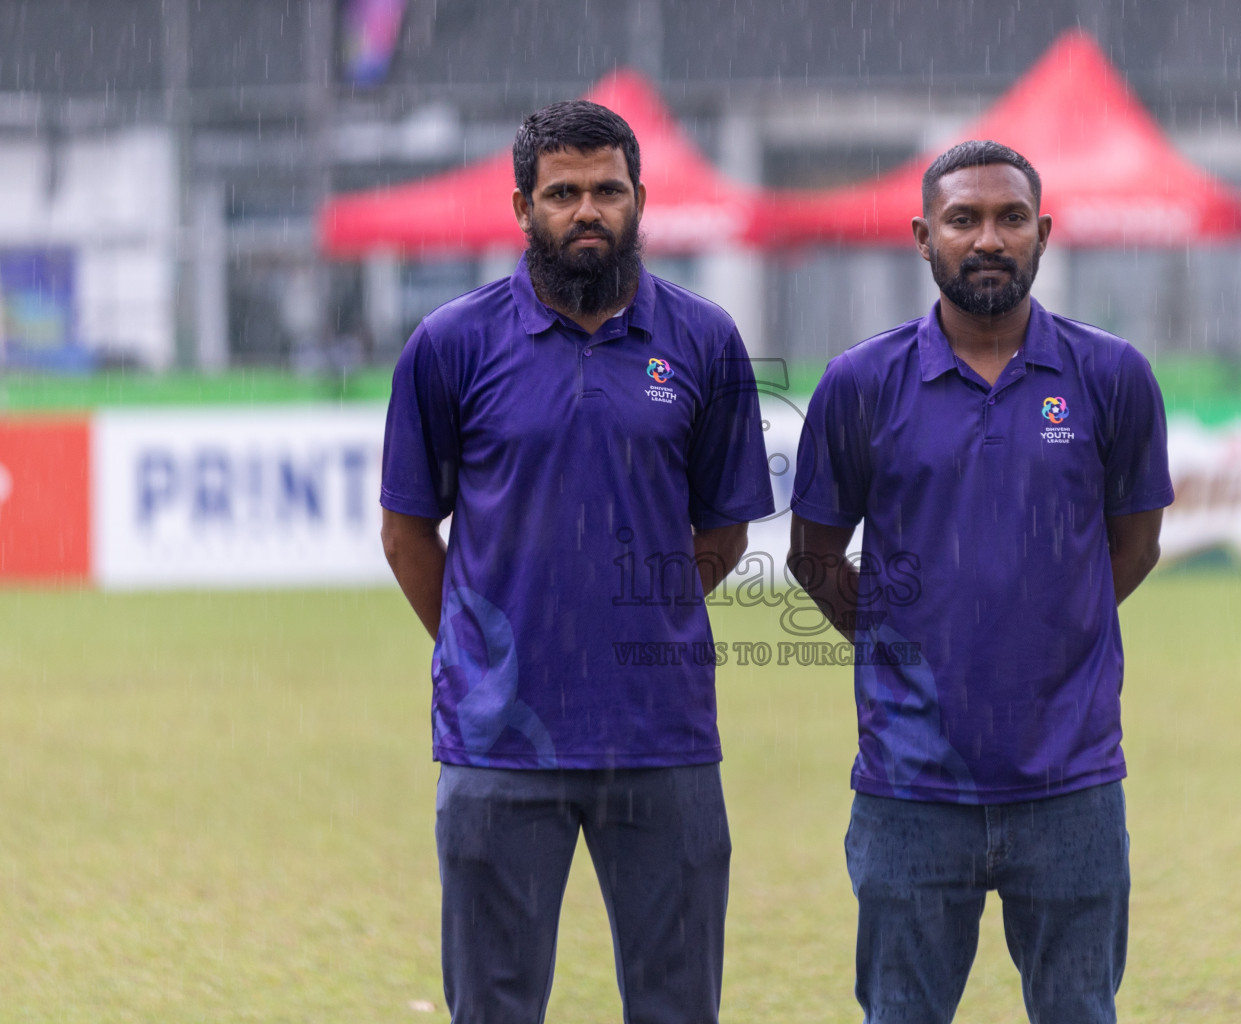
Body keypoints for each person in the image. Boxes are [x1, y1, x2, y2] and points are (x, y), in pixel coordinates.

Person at [379, 100, 775, 1024]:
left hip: (661, 735)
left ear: (642, 198)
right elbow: (407, 535)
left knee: (678, 1007)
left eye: (607, 190)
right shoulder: (450, 345)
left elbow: (722, 536)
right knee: (495, 1007)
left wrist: (634, 624)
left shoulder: (704, 341)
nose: (586, 210)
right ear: (522, 207)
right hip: (499, 744)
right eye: (563, 193)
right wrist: (487, 653)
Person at [787, 139, 1173, 1024]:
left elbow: (1136, 544)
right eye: (963, 219)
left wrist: (1047, 626)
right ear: (923, 237)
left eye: (1009, 219)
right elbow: (814, 556)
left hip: (1070, 784)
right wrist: (907, 641)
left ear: (1044, 234)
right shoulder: (860, 385)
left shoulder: (1110, 377)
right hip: (909, 790)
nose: (987, 238)